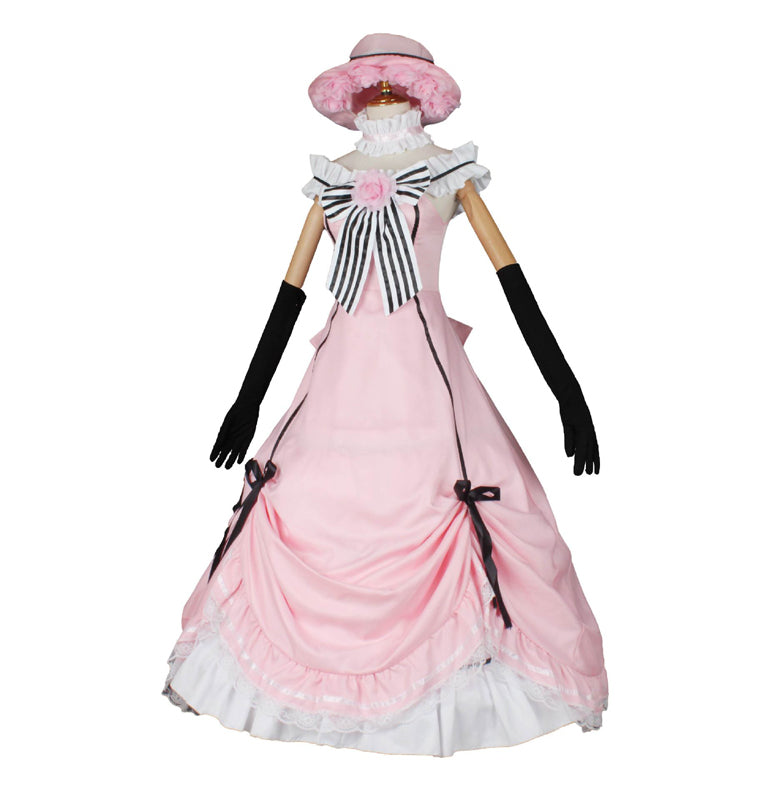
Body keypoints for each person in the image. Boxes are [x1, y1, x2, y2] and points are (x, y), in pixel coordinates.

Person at [163, 32, 607, 757]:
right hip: (339, 380)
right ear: (353, 93)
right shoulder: (333, 177)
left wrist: (568, 390)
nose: (385, 92)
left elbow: (511, 276)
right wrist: (248, 400)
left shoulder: (448, 170)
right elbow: (289, 292)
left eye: (398, 81)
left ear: (421, 92)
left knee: (457, 510)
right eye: (372, 81)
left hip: (425, 381)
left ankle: (450, 693)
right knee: (303, 504)